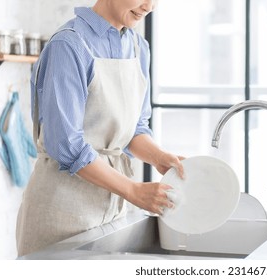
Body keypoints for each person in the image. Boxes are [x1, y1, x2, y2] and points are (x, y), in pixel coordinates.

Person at [16, 0, 185, 257]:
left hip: (111, 210)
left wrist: (159, 157)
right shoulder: (69, 45)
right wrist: (132, 190)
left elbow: (133, 129)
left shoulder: (139, 48)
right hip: (62, 209)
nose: (150, 6)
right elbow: (67, 145)